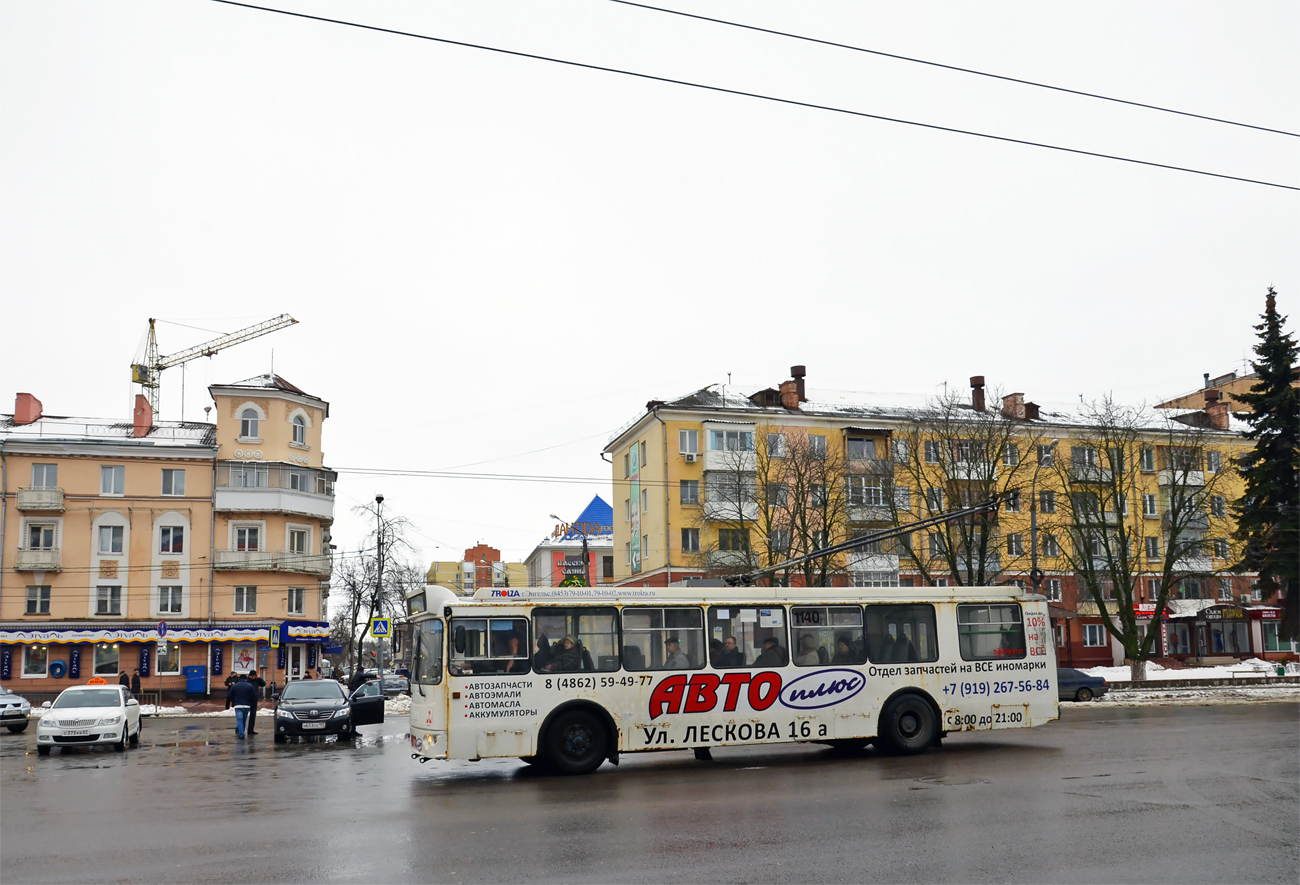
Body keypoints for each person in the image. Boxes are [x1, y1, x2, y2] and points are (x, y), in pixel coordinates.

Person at [226, 675, 259, 739]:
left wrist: (234, 701)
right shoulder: (250, 686)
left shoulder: (235, 686)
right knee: (244, 719)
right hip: (247, 705)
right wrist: (250, 702)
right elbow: (254, 696)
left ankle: (241, 734)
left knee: (239, 720)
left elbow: (229, 696)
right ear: (245, 679)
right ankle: (241, 732)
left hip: (238, 705)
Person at [245, 669, 266, 734]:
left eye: (255, 676)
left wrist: (259, 678)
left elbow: (263, 684)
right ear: (249, 676)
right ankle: (239, 729)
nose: (253, 678)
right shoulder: (247, 681)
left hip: (254, 700)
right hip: (247, 700)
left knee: (253, 716)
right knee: (244, 716)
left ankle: (250, 730)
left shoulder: (257, 680)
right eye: (252, 676)